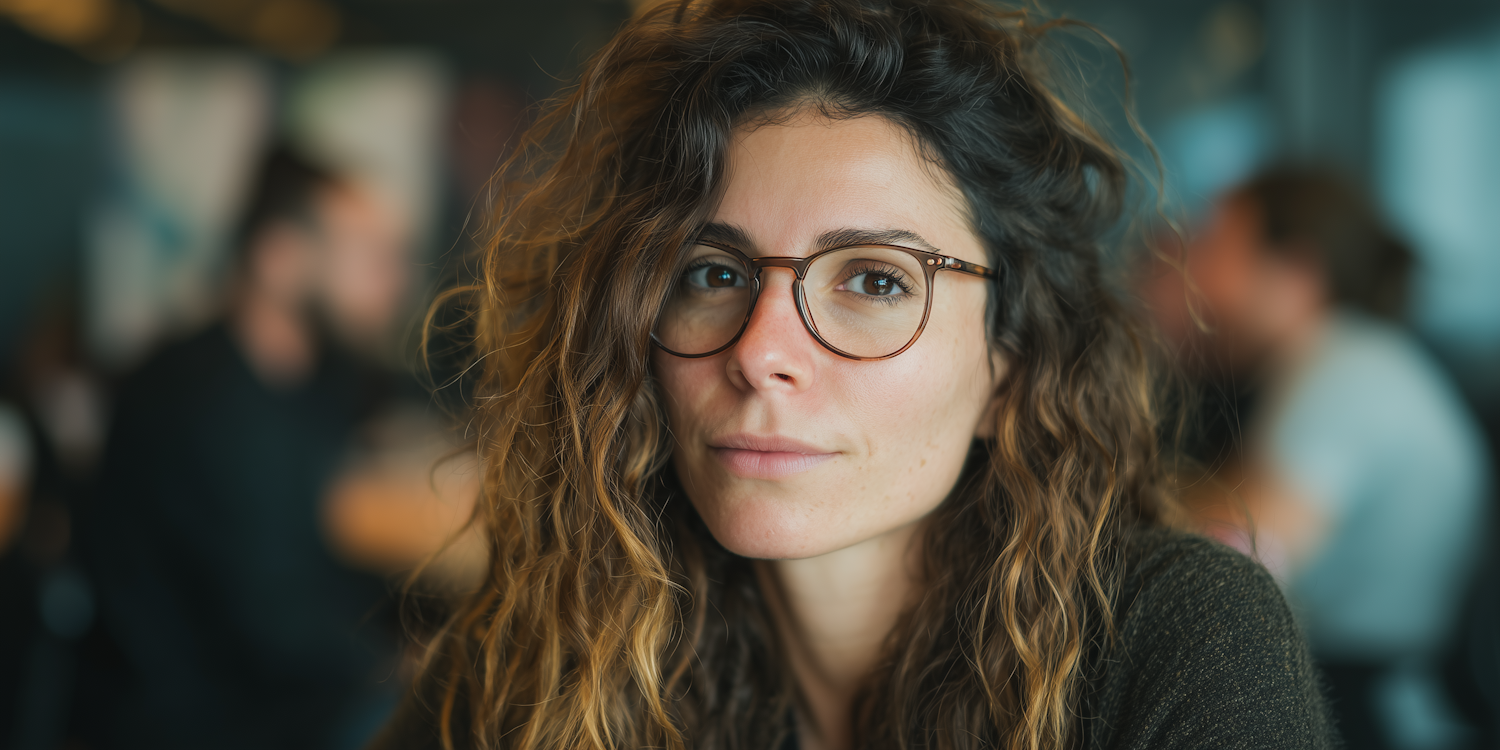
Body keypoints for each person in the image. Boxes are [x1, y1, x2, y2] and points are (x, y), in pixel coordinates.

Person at [374, 1, 1335, 748]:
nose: (757, 351)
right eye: (713, 273)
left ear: (1012, 367)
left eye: (874, 279)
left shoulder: (1177, 640)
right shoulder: (555, 636)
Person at [82, 147, 425, 750]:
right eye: (369, 256)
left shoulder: (308, 382)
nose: (394, 280)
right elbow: (274, 624)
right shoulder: (196, 398)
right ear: (279, 258)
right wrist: (402, 665)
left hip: (276, 690)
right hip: (211, 720)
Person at [1148, 168, 1490, 749]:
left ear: (1295, 274)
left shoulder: (1344, 374)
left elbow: (1241, 555)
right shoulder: (1343, 363)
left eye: (1215, 246)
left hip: (1364, 706)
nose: (1195, 274)